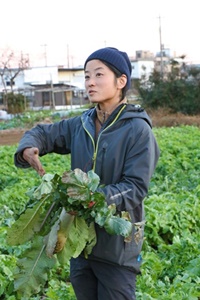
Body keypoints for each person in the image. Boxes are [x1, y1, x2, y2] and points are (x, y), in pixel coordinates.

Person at [14, 47, 160, 300]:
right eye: (86, 76)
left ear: (121, 81)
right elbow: (43, 133)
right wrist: (28, 148)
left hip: (117, 249)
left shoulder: (137, 130)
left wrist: (91, 198)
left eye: (99, 75)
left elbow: (135, 188)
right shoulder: (81, 123)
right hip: (80, 245)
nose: (90, 82)